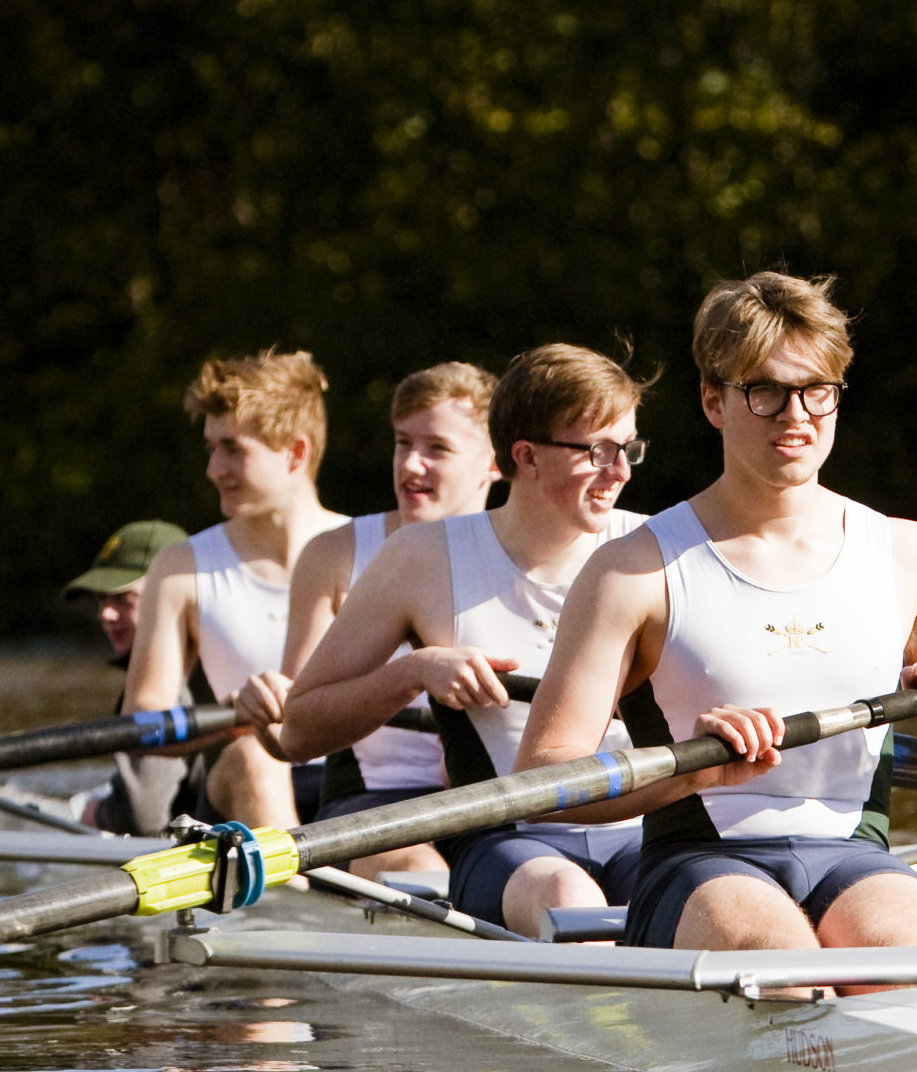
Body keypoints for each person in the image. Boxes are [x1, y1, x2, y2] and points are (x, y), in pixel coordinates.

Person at [515, 272, 917, 951]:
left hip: (855, 859)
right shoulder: (631, 569)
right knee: (781, 961)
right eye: (765, 391)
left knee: (905, 959)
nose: (796, 415)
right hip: (695, 866)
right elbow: (543, 776)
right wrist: (690, 768)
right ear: (713, 401)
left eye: (818, 390)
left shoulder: (908, 552)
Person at [265, 345, 650, 934]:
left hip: (641, 830)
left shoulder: (653, 550)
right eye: (599, 452)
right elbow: (298, 731)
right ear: (525, 457)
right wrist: (415, 671)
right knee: (568, 894)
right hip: (506, 840)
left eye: (627, 450)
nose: (619, 472)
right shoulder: (420, 560)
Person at [234, 362, 499, 878]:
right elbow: (291, 737)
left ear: (495, 463)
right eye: (404, 443)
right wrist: (263, 710)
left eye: (437, 449)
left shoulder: (526, 555)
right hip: (372, 806)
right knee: (426, 872)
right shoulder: (335, 555)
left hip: (491, 805)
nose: (411, 465)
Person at [125, 350, 346, 828]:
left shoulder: (375, 551)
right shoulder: (182, 567)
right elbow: (142, 717)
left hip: (355, 793)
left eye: (233, 449)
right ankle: (296, 898)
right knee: (255, 757)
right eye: (211, 448)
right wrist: (233, 714)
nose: (213, 469)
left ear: (296, 453)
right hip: (241, 785)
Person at [59, 519, 204, 833]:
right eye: (102, 600)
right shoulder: (223, 664)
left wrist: (93, 814)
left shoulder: (161, 687)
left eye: (124, 599)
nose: (105, 615)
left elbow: (143, 817)